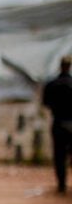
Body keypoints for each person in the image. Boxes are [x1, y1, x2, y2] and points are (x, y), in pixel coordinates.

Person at [42, 54, 72, 194]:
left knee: (59, 156)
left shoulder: (52, 84)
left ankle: (61, 185)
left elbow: (46, 103)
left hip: (59, 123)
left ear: (61, 66)